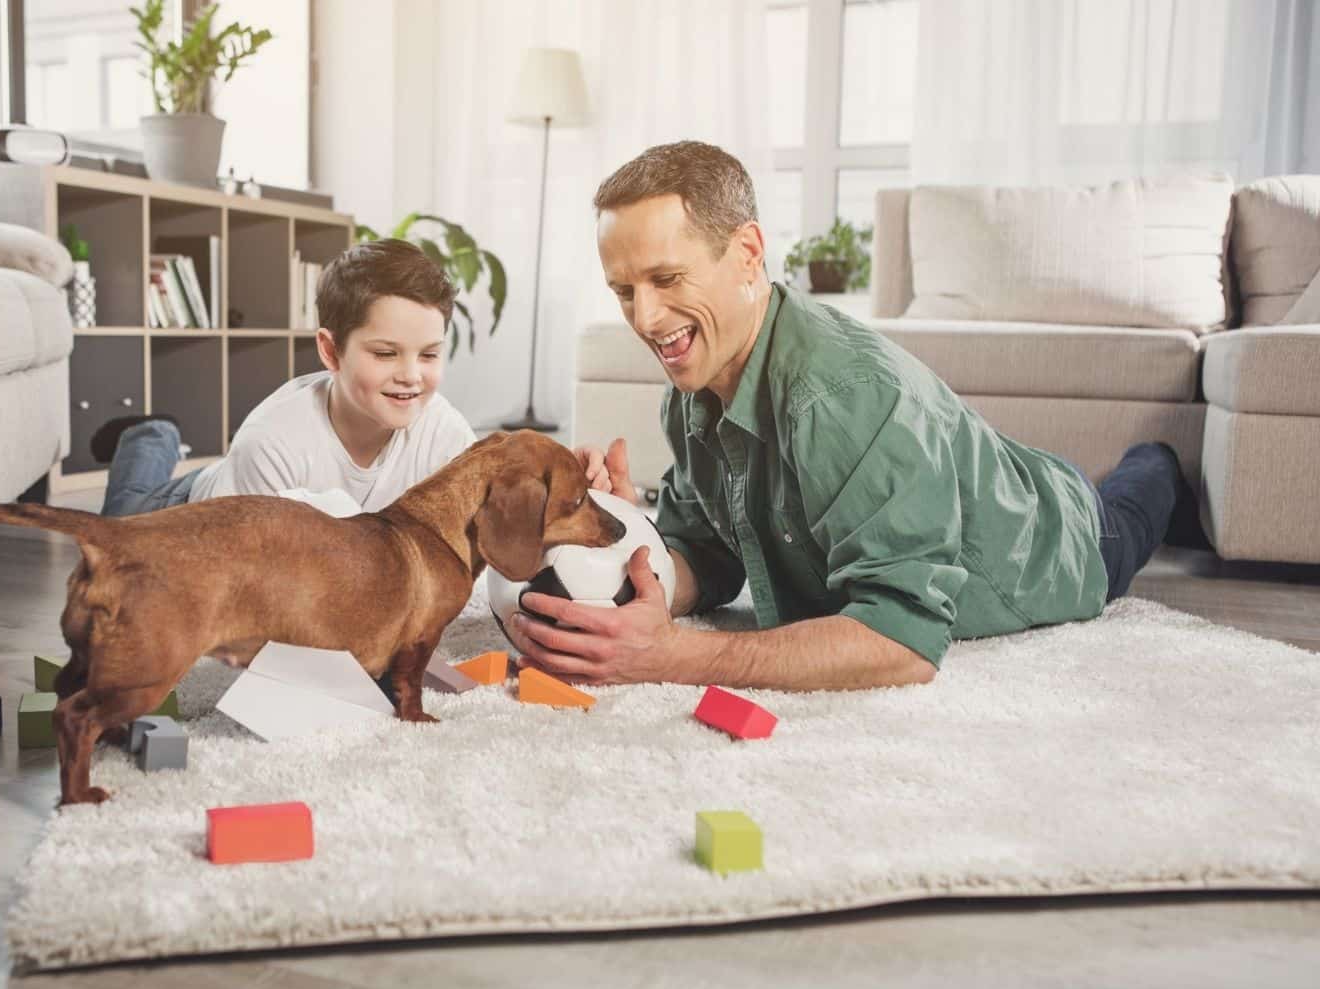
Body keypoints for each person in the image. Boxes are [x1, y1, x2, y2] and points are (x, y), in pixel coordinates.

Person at [512, 140, 1195, 692]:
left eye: (666, 279)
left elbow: (903, 640)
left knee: (1136, 501)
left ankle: (1160, 460)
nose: (646, 317)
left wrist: (673, 657)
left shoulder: (839, 397)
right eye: (624, 290)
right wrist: (631, 547)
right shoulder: (693, 389)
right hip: (966, 476)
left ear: (747, 255)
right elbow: (711, 556)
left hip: (1060, 537)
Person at [92, 239, 475, 517]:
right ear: (330, 351)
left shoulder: (445, 434)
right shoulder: (272, 442)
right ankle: (151, 436)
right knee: (120, 528)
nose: (411, 376)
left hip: (241, 482)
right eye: (385, 354)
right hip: (196, 513)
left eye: (429, 354)